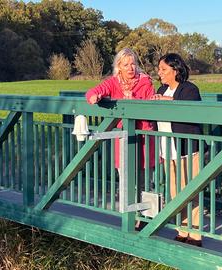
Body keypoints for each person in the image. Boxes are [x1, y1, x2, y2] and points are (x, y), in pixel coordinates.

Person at [85, 48, 155, 229]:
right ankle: (129, 217)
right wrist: (95, 97)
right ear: (119, 67)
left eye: (133, 64)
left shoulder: (145, 82)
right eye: (126, 65)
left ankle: (144, 219)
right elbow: (94, 91)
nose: (131, 68)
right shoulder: (113, 82)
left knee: (143, 179)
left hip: (143, 138)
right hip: (123, 140)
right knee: (125, 178)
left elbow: (151, 108)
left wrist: (135, 101)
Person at [151, 53, 203, 247]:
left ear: (176, 70)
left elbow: (190, 110)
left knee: (191, 191)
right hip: (167, 148)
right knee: (175, 192)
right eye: (159, 69)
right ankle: (182, 230)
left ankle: (195, 235)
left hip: (187, 149)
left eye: (163, 69)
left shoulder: (189, 89)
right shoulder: (161, 89)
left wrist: (164, 101)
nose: (160, 73)